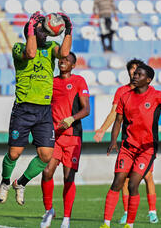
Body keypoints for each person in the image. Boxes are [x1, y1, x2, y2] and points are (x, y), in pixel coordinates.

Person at [99, 64, 161, 228]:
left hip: (146, 149)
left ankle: (129, 224)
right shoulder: (125, 96)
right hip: (127, 147)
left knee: (133, 185)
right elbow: (118, 121)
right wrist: (113, 141)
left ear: (148, 79)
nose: (135, 76)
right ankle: (106, 223)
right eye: (134, 73)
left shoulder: (157, 96)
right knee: (117, 181)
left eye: (139, 74)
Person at [0, 11, 72, 206]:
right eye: (41, 31)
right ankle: (5, 181)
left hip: (44, 110)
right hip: (23, 109)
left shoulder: (51, 47)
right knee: (14, 153)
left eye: (46, 31)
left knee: (46, 155)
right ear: (31, 32)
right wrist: (31, 27)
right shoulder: (19, 48)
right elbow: (30, 54)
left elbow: (64, 54)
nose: (45, 34)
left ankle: (20, 183)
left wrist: (69, 30)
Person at [94, 59, 159, 224]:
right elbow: (115, 115)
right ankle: (125, 212)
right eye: (132, 69)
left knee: (148, 176)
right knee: (123, 179)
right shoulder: (122, 92)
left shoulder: (150, 93)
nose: (134, 72)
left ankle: (152, 211)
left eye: (137, 70)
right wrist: (103, 129)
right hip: (128, 141)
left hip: (145, 144)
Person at [40, 52, 90, 228]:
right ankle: (49, 210)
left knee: (69, 178)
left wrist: (71, 119)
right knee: (47, 172)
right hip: (54, 136)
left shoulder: (79, 81)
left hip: (73, 136)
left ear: (73, 65)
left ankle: (66, 218)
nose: (63, 61)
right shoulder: (51, 82)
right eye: (61, 59)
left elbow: (86, 110)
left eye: (67, 60)